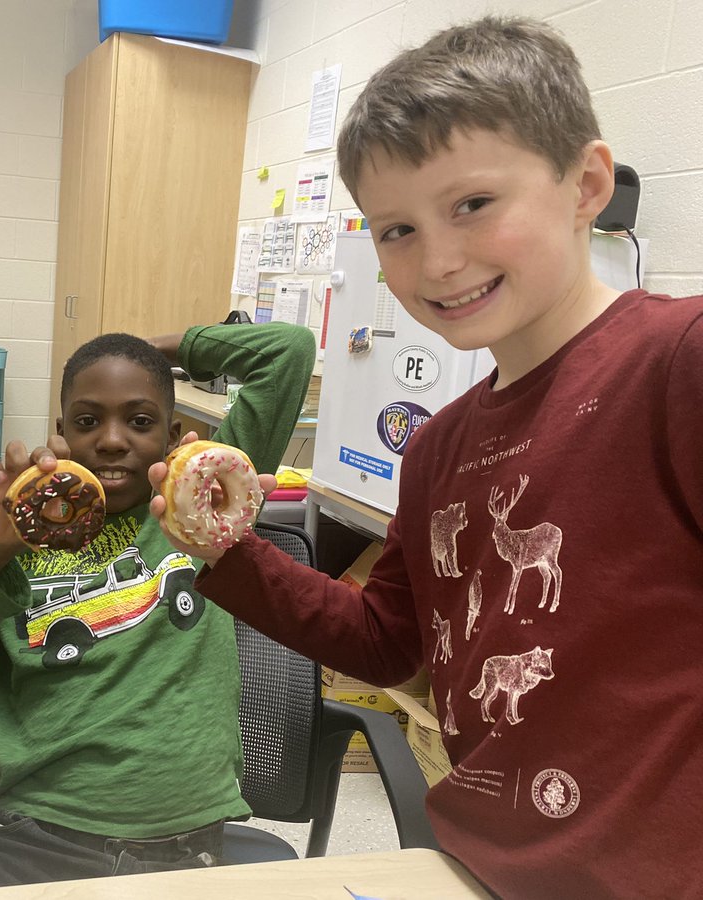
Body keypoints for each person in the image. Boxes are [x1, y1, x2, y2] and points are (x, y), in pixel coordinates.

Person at [148, 16, 703, 899]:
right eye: (395, 229)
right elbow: (386, 642)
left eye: (474, 205)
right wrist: (224, 550)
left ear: (586, 184)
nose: (437, 260)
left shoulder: (674, 362)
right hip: (476, 861)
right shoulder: (441, 447)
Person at [0, 321, 315, 888]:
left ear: (173, 437)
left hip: (185, 853)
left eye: (140, 421)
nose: (113, 439)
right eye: (88, 421)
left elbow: (286, 353)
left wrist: (150, 344)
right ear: (61, 432)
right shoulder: (22, 538)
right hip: (28, 840)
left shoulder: (195, 514)